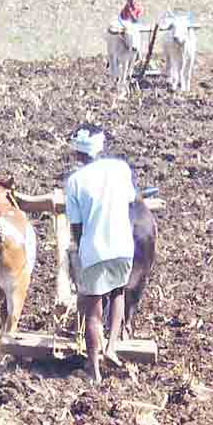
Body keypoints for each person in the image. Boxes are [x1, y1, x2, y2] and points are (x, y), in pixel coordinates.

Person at [64, 125, 137, 383]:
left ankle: (93, 370)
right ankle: (112, 347)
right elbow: (130, 201)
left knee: (93, 313)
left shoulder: (74, 182)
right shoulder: (120, 169)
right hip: (123, 247)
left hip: (94, 250)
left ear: (76, 154)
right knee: (118, 292)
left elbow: (76, 226)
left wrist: (74, 253)